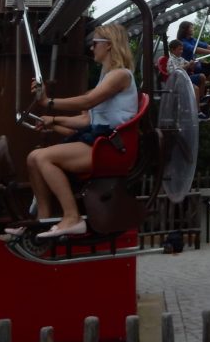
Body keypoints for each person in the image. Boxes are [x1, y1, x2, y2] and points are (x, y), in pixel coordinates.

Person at [18, 23, 139, 239]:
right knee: (32, 158)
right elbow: (86, 120)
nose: (91, 48)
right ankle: (42, 219)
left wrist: (48, 102)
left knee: (44, 158)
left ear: (109, 45)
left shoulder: (120, 75)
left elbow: (88, 101)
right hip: (102, 141)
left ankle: (72, 217)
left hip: (111, 147)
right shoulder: (107, 77)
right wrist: (53, 121)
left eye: (94, 43)